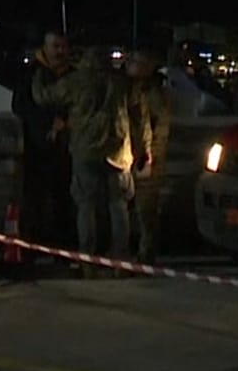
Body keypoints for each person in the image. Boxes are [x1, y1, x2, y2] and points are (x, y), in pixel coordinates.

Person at [33, 46, 151, 273]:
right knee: (119, 207)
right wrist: (144, 148)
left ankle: (87, 259)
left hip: (85, 151)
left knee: (85, 207)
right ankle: (121, 259)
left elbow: (43, 97)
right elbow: (140, 116)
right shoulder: (121, 82)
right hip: (118, 152)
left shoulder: (76, 81)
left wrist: (39, 74)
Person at [12, 31, 75, 261]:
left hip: (67, 149)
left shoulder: (74, 75)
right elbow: (21, 106)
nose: (60, 51)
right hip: (37, 148)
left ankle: (64, 251)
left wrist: (66, 121)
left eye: (63, 46)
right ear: (45, 48)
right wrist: (48, 121)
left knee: (65, 202)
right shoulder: (31, 75)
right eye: (55, 46)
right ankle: (30, 251)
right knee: (34, 202)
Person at [126, 48, 173, 263]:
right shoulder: (138, 89)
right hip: (137, 155)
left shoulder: (152, 93)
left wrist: (147, 156)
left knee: (146, 209)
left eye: (133, 61)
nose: (128, 65)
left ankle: (146, 252)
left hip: (147, 158)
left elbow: (156, 128)